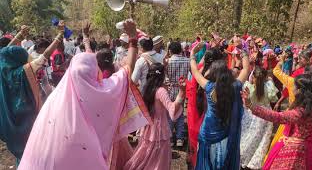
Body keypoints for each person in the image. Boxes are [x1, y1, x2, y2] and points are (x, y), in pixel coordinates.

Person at [18, 20, 151, 170]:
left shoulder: (57, 97)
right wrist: (133, 38)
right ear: (95, 71)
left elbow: (86, 62)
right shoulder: (102, 92)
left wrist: (85, 37)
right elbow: (128, 69)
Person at [0, 22, 65, 166]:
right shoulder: (21, 73)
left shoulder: (2, 67)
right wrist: (60, 36)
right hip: (25, 122)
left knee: (21, 158)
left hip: (8, 123)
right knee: (32, 155)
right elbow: (44, 56)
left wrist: (20, 35)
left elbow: (4, 52)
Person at [242, 64, 312, 170]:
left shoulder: (301, 112)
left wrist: (251, 106)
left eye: (295, 86)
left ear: (300, 91)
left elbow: (278, 117)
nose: (292, 88)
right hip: (302, 150)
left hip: (294, 153)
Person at [190, 44, 250, 169]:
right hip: (227, 134)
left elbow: (195, 71)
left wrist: (192, 54)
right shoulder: (236, 86)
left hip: (208, 133)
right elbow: (245, 70)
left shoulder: (209, 87)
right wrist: (244, 54)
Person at [124, 63, 186, 170]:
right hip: (160, 131)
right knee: (159, 161)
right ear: (162, 76)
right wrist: (181, 93)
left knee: (144, 156)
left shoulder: (147, 88)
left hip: (148, 128)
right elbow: (172, 110)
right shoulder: (161, 91)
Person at [186, 49, 225, 169]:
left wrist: (192, 54)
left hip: (198, 115)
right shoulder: (219, 76)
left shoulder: (200, 71)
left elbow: (193, 68)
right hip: (211, 118)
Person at [240, 66, 279, 169]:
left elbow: (245, 101)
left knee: (248, 137)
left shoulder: (248, 86)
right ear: (265, 77)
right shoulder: (269, 86)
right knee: (262, 140)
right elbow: (273, 99)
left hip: (251, 113)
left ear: (253, 76)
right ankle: (255, 161)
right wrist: (270, 80)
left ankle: (243, 157)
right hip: (266, 115)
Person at [166, 41, 190, 147]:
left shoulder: (167, 61)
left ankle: (170, 138)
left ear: (170, 50)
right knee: (180, 114)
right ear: (181, 49)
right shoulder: (187, 61)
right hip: (182, 89)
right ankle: (180, 138)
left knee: (169, 113)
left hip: (170, 89)